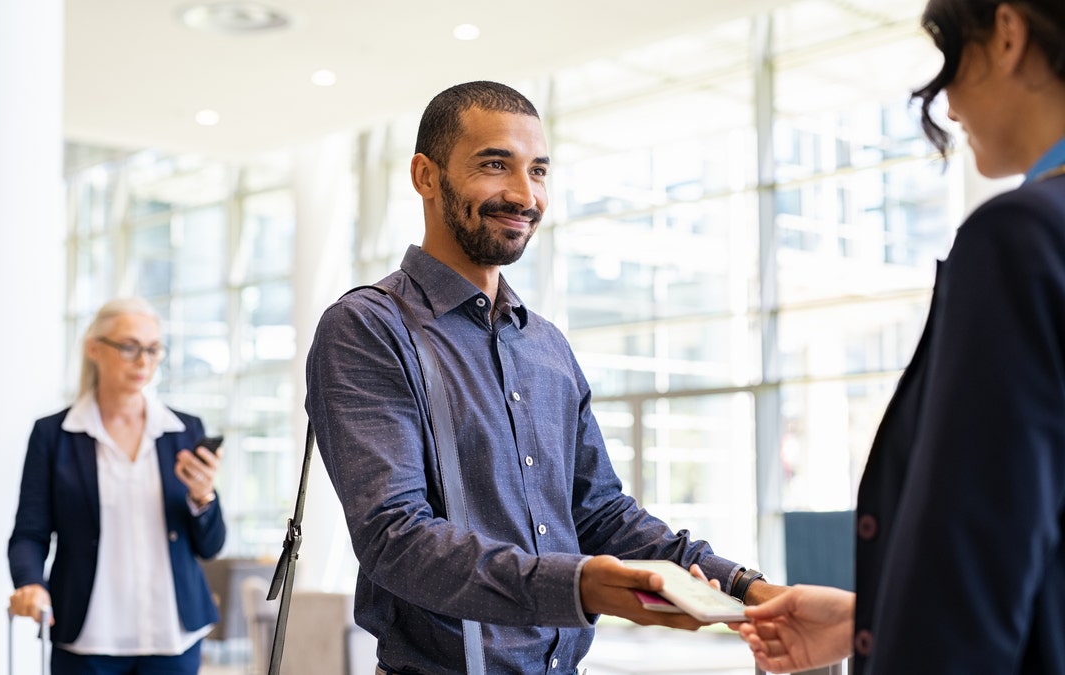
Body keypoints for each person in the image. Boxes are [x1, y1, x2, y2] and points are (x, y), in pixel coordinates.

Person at [305, 80, 784, 675]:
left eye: (538, 171)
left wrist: (749, 589)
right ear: (425, 176)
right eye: (494, 165)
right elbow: (395, 539)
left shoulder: (546, 345)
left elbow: (601, 513)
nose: (523, 194)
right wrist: (579, 585)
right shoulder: (368, 328)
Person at [737, 1, 1065, 673]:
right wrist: (871, 620)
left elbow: (974, 560)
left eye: (950, 59)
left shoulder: (1022, 241)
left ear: (1007, 34)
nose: (946, 105)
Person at [8, 297, 226, 674]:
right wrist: (30, 582)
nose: (143, 361)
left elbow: (210, 546)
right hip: (88, 637)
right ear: (94, 348)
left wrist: (203, 497)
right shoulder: (54, 435)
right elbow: (30, 532)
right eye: (129, 347)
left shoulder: (183, 431)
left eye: (153, 349)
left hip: (172, 637)